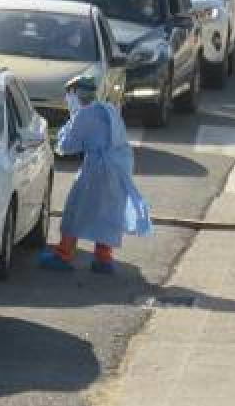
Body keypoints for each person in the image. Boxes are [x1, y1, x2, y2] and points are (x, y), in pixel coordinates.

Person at [38, 75, 152, 274]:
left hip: (97, 170)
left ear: (75, 94)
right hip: (117, 169)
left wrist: (69, 123)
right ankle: (103, 258)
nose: (67, 100)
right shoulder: (108, 109)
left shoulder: (84, 115)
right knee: (107, 213)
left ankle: (64, 255)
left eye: (69, 96)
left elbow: (66, 147)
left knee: (75, 208)